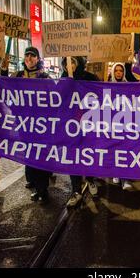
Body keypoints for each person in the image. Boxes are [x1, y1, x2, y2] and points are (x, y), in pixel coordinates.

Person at [0, 46, 53, 203]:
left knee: (40, 156)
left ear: (37, 59)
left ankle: (43, 190)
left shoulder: (45, 77)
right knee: (29, 157)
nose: (29, 58)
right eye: (26, 55)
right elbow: (6, 86)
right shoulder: (18, 75)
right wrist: (3, 72)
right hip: (23, 124)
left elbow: (54, 97)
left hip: (40, 125)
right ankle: (36, 186)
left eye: (32, 56)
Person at [61, 56, 100, 207]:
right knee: (73, 158)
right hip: (70, 127)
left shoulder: (89, 78)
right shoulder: (62, 80)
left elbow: (99, 96)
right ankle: (76, 191)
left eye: (72, 62)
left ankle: (90, 179)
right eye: (66, 63)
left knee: (87, 154)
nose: (69, 65)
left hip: (88, 124)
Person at [109, 62, 134, 190]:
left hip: (126, 122)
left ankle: (126, 178)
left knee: (126, 150)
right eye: (116, 71)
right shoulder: (106, 85)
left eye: (121, 71)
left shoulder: (128, 85)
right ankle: (115, 172)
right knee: (114, 149)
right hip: (111, 122)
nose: (119, 73)